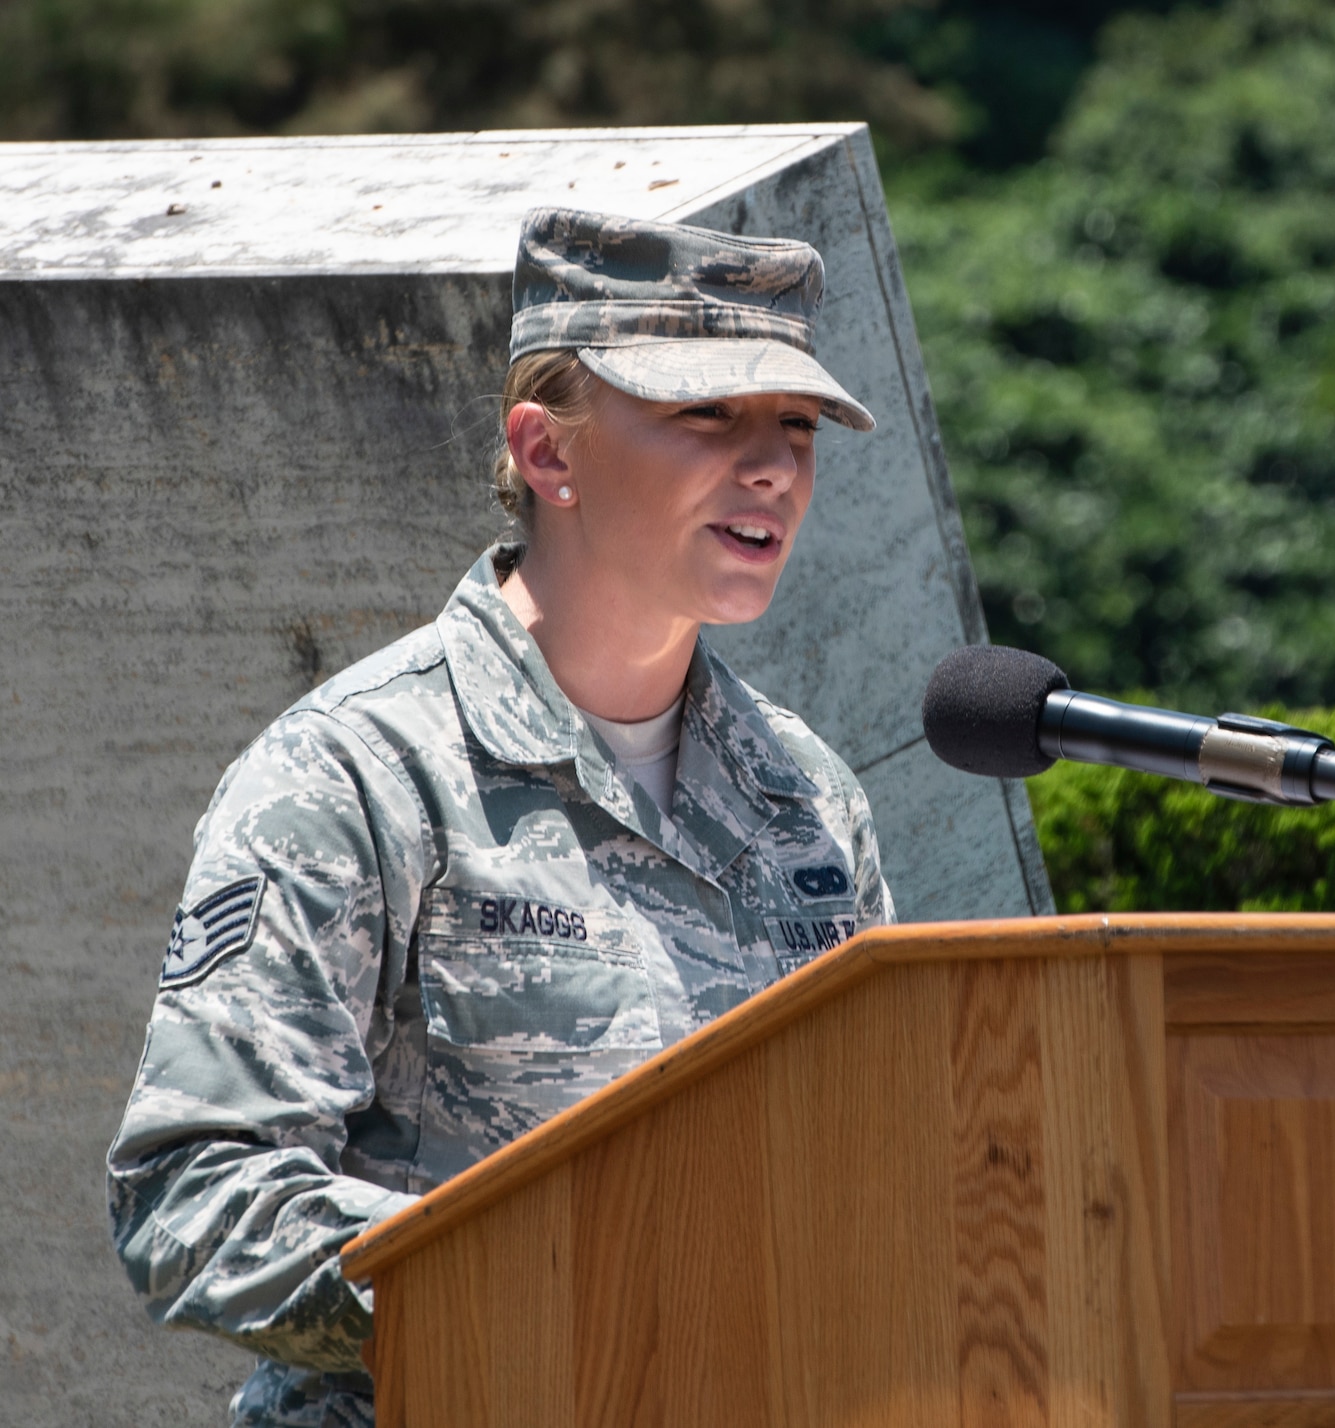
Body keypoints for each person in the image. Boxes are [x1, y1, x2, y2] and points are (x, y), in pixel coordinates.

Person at [106, 208, 894, 1428]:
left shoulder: (806, 799)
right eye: (708, 414)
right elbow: (195, 1199)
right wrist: (542, 1283)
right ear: (546, 451)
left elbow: (882, 1171)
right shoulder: (357, 774)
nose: (775, 466)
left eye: (794, 425)